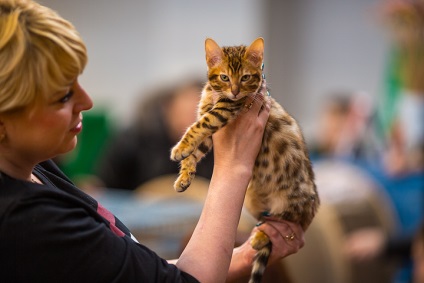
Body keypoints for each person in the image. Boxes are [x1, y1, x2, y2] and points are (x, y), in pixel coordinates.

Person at [0, 1, 305, 282]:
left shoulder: (36, 171)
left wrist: (240, 257)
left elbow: (124, 270)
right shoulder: (27, 220)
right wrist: (235, 165)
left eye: (78, 82)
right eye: (63, 94)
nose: (87, 101)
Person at [96, 78, 214, 191]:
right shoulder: (133, 139)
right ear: (168, 107)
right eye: (186, 111)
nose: (191, 118)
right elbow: (107, 187)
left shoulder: (214, 147)